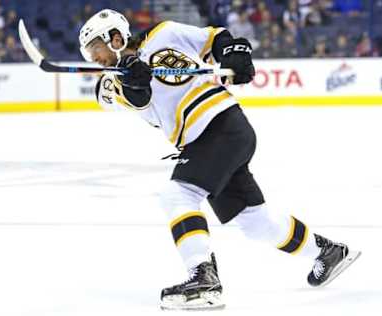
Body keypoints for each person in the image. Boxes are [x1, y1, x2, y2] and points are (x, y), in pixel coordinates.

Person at [78, 9, 361, 310]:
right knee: (255, 223)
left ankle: (203, 278)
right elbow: (139, 98)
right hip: (206, 142)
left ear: (115, 37)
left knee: (177, 196)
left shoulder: (166, 33)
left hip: (222, 124)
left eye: (95, 49)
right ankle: (326, 252)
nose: (93, 59)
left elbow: (217, 39)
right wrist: (135, 77)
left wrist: (234, 56)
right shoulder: (111, 83)